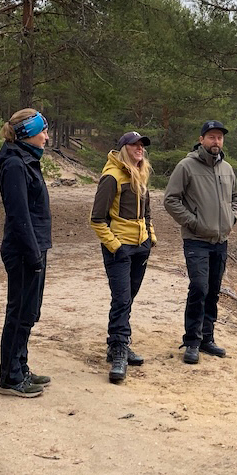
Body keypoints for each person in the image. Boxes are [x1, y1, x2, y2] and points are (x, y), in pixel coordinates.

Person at [163, 119, 237, 365]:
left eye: (219, 137)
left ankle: (207, 339)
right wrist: (193, 222)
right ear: (201, 139)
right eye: (211, 137)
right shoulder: (187, 166)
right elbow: (171, 199)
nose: (216, 141)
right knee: (199, 288)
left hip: (221, 240)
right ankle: (192, 341)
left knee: (213, 290)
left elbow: (236, 197)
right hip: (196, 240)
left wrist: (232, 218)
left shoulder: (227, 168)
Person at [0, 107, 53, 398]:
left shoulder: (28, 160)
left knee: (29, 312)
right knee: (19, 312)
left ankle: (21, 365)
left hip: (35, 247)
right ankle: (10, 377)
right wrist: (33, 254)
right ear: (28, 134)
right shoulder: (15, 165)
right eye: (42, 131)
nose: (46, 136)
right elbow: (19, 216)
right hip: (23, 251)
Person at [92, 131, 156, 383]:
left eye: (142, 145)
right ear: (123, 148)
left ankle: (117, 343)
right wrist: (115, 245)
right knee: (121, 299)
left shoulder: (141, 174)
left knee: (128, 298)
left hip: (140, 247)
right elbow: (96, 219)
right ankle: (118, 350)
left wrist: (150, 237)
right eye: (134, 145)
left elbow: (147, 211)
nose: (139, 149)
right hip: (120, 248)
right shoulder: (111, 177)